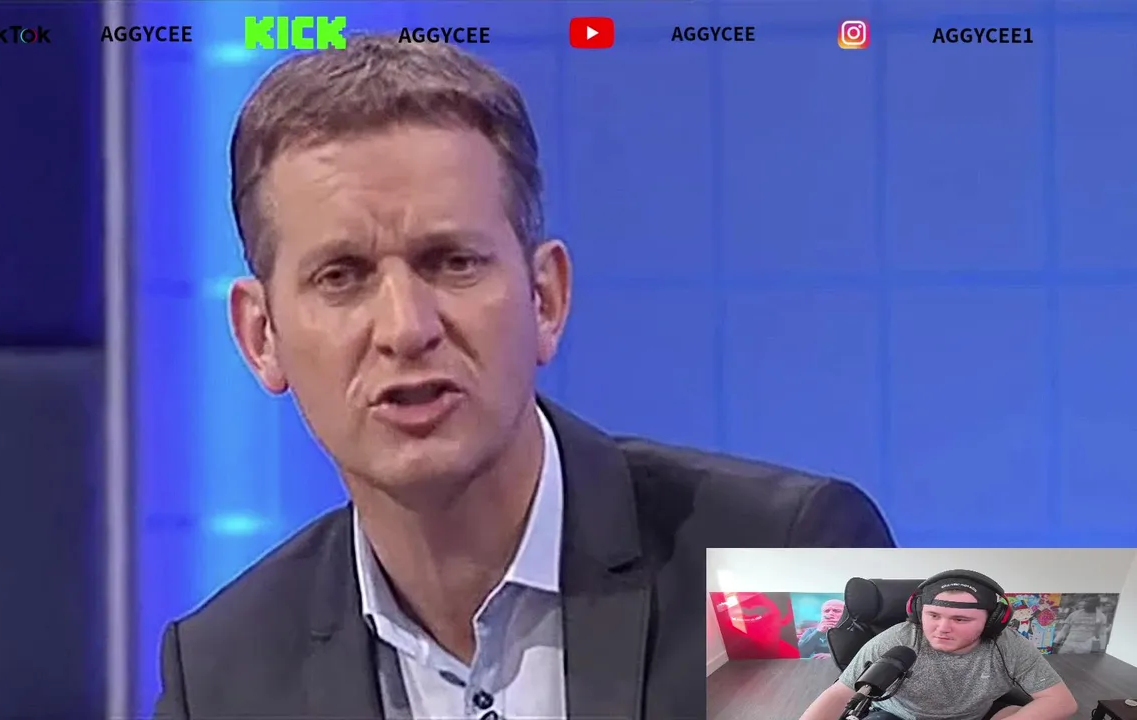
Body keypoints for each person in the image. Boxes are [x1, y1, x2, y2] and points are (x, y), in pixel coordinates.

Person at [151, 34, 895, 720]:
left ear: (546, 299)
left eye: (453, 262)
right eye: (341, 276)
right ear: (261, 336)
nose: (406, 327)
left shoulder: (779, 563)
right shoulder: (225, 675)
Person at [797, 571, 1077, 720]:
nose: (942, 628)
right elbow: (839, 694)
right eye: (933, 615)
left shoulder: (1008, 646)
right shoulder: (896, 639)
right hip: (900, 716)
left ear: (992, 621)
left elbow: (1061, 702)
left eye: (960, 619)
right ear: (918, 612)